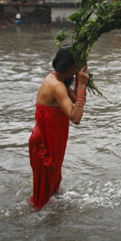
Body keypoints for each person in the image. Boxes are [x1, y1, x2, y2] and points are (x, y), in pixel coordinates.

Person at [29, 47, 89, 211]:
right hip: (44, 145)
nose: (77, 70)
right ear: (69, 68)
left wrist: (79, 82)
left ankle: (53, 222)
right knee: (41, 201)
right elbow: (76, 118)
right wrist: (82, 86)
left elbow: (76, 101)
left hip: (52, 141)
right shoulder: (57, 86)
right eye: (76, 67)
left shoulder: (59, 78)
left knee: (52, 191)